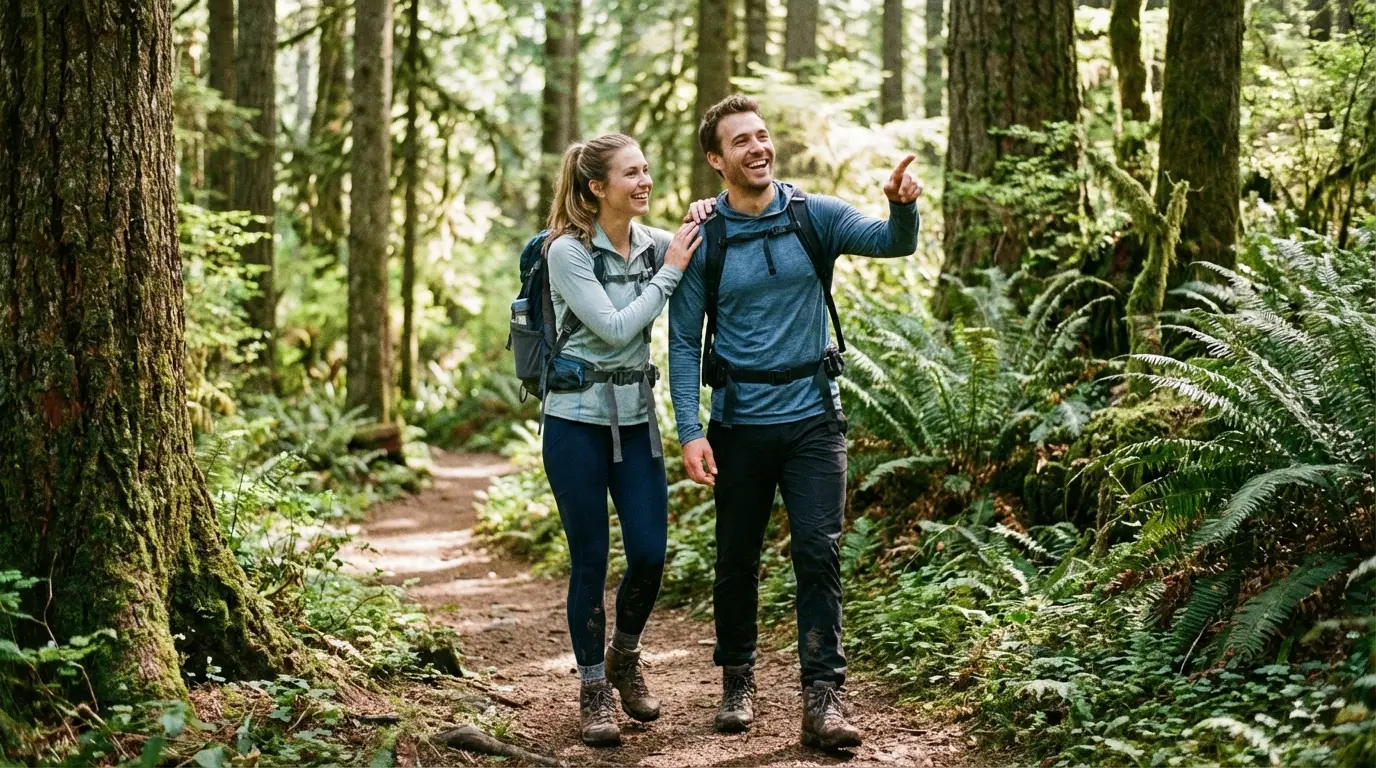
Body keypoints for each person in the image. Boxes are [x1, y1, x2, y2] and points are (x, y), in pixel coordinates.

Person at [667, 95, 923, 750]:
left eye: (762, 136)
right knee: (736, 560)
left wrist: (901, 202)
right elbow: (680, 341)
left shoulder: (816, 216)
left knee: (818, 550)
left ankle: (823, 697)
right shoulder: (706, 239)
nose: (758, 148)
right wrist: (690, 430)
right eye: (740, 142)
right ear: (716, 160)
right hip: (738, 425)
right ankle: (738, 679)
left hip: (814, 418)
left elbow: (893, 243)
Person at [540, 133, 702, 747]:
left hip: (636, 424)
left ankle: (623, 654)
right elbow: (610, 329)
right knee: (589, 558)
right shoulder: (566, 252)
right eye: (630, 173)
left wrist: (701, 217)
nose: (644, 181)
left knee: (651, 554)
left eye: (646, 169)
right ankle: (592, 691)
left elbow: (698, 249)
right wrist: (669, 276)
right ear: (595, 188)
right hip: (574, 424)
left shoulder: (656, 243)